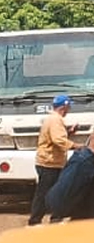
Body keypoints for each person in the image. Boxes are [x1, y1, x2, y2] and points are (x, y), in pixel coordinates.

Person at [30, 94, 74, 226]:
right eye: (68, 107)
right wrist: (75, 146)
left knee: (57, 191)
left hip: (53, 162)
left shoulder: (52, 119)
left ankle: (56, 218)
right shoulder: (56, 120)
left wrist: (69, 132)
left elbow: (55, 136)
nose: (69, 109)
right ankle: (35, 220)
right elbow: (58, 140)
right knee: (44, 193)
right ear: (64, 106)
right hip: (49, 163)